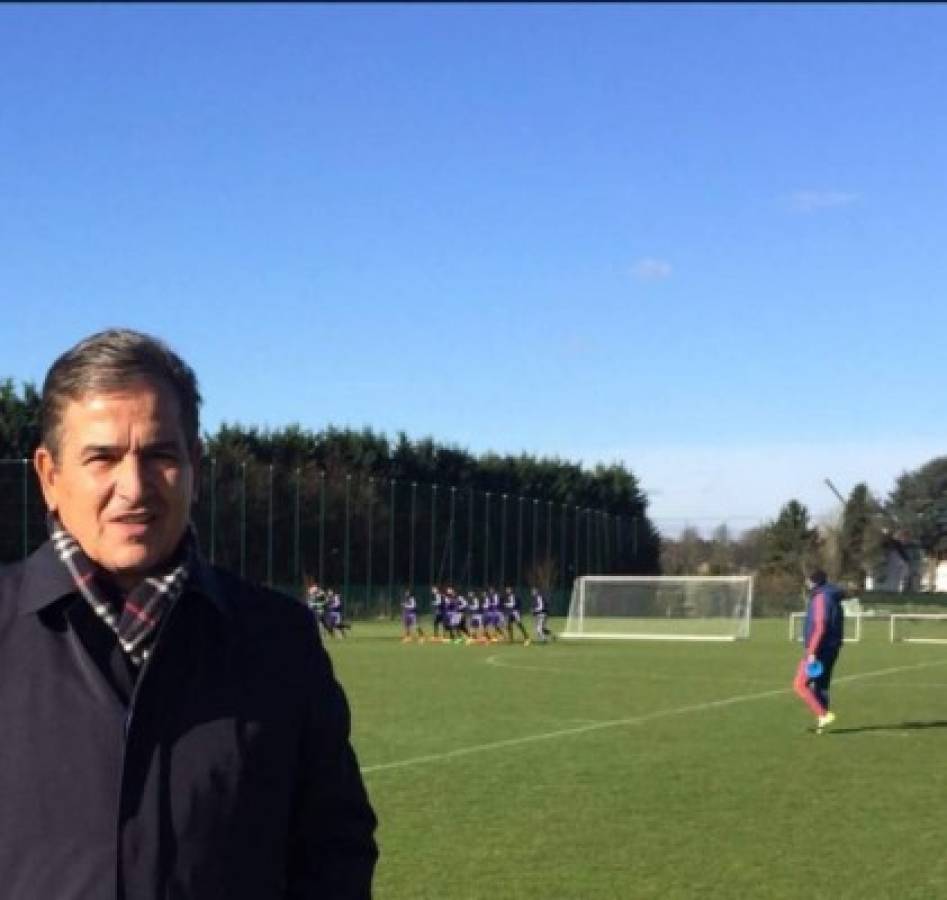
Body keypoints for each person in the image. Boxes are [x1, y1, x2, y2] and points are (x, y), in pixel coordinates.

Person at [0, 329, 378, 898]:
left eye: (159, 455)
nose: (134, 487)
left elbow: (334, 846)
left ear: (194, 466)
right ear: (50, 476)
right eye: (102, 457)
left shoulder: (279, 640)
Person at [793, 568, 846, 733]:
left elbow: (820, 626)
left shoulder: (821, 598)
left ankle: (823, 714)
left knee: (800, 684)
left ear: (813, 582)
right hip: (831, 648)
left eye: (808, 581)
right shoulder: (833, 598)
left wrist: (812, 652)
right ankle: (821, 726)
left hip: (820, 649)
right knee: (821, 686)